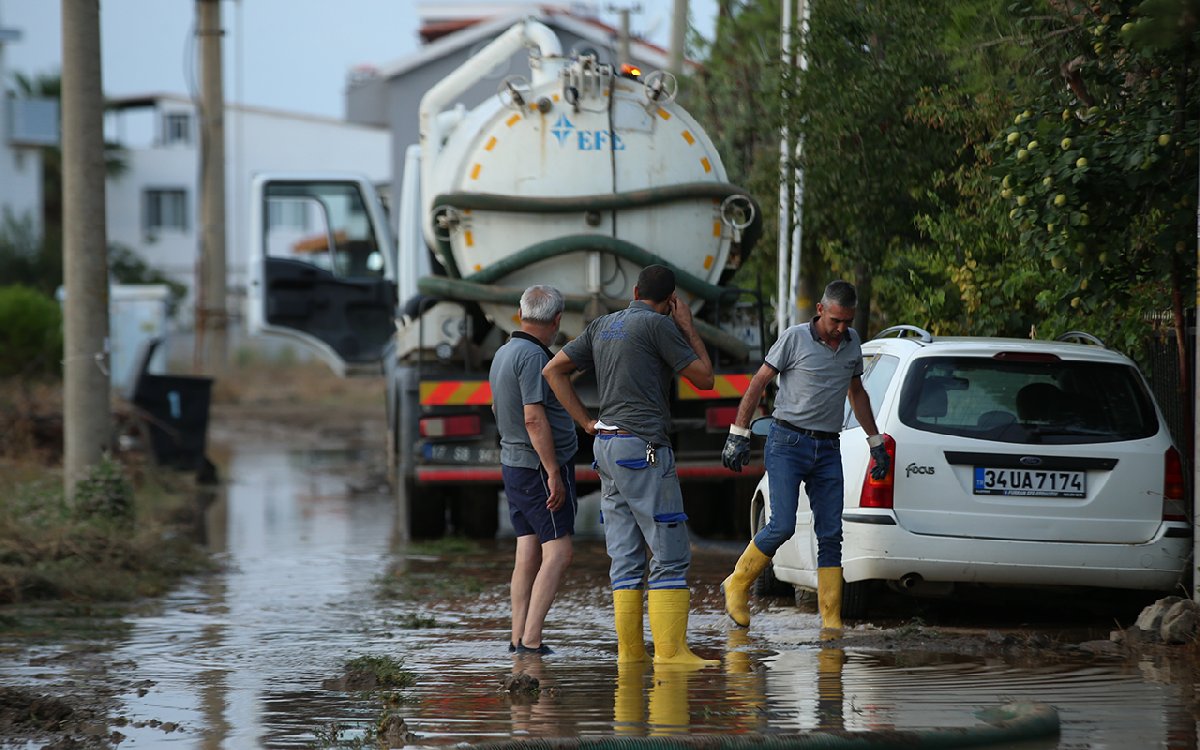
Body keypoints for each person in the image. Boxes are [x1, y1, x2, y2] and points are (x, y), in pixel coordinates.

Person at [543, 264, 716, 667]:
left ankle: (631, 653)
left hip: (606, 446)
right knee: (670, 552)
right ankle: (671, 653)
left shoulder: (603, 325)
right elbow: (705, 378)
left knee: (625, 555)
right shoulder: (660, 326)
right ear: (670, 301)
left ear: (635, 292)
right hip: (645, 448)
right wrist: (688, 327)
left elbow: (553, 370)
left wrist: (585, 421)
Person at [720, 280, 890, 633]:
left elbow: (857, 393)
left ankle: (831, 621)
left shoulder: (852, 343)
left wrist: (875, 442)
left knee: (831, 534)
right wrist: (739, 433)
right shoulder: (794, 339)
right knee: (781, 524)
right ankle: (737, 583)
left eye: (847, 321)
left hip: (827, 448)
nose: (841, 328)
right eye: (835, 320)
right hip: (787, 443)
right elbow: (758, 382)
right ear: (820, 310)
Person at [489, 285, 578, 656]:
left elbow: (497, 409)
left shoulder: (504, 352)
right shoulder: (532, 357)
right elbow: (533, 418)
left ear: (520, 312)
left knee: (527, 549)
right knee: (559, 552)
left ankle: (517, 637)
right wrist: (553, 471)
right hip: (536, 466)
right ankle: (532, 640)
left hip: (513, 464)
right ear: (556, 320)